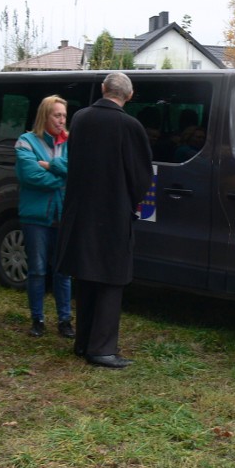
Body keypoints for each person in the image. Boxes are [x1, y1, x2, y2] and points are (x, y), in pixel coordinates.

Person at [56, 72, 153, 368]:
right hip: (112, 212)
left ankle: (83, 341)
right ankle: (102, 348)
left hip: (82, 211)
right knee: (111, 279)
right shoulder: (129, 125)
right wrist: (129, 201)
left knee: (86, 276)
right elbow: (142, 175)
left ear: (102, 89)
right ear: (130, 95)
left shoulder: (81, 119)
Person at [15, 95, 74, 339]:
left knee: (63, 271)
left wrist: (50, 166)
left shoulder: (72, 141)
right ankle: (37, 319)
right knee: (38, 270)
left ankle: (65, 320)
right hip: (36, 218)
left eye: (64, 116)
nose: (61, 120)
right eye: (56, 115)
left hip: (63, 215)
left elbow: (79, 169)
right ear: (45, 116)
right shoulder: (25, 142)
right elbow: (31, 177)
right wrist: (62, 177)